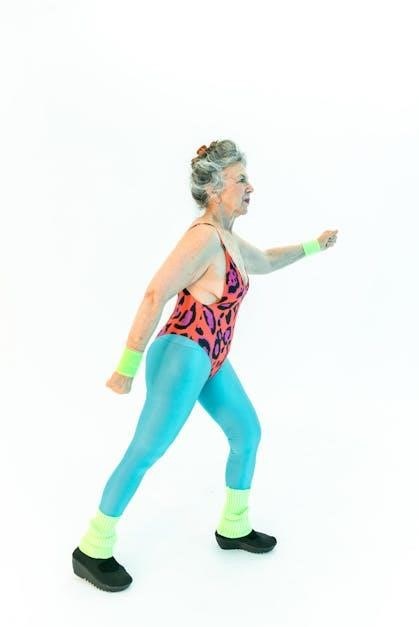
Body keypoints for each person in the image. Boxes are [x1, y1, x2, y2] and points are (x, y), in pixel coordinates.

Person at [72, 139, 338, 592]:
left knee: (246, 432)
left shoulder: (227, 238)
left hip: (211, 356)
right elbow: (155, 293)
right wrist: (126, 366)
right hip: (183, 353)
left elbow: (266, 260)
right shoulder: (202, 238)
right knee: (146, 450)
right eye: (240, 180)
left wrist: (314, 246)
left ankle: (233, 526)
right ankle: (92, 548)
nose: (250, 187)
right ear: (215, 189)